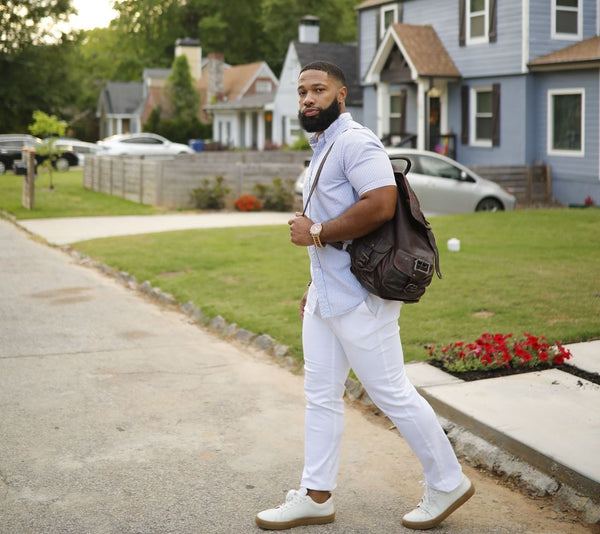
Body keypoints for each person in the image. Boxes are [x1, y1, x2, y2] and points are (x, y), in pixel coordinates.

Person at [255, 61, 474, 531]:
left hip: (362, 297)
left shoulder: (356, 141)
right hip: (328, 299)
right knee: (320, 395)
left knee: (390, 391)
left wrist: (314, 232)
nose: (308, 99)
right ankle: (316, 496)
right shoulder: (323, 147)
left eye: (318, 90)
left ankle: (447, 480)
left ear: (341, 95)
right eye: (301, 92)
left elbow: (380, 204)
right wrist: (313, 286)